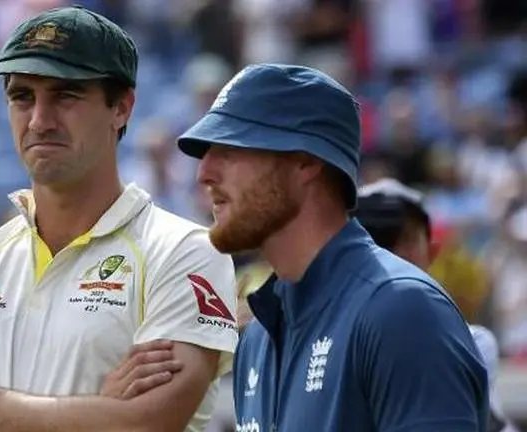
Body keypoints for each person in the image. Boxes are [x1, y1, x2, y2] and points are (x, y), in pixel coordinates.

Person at [0, 6, 238, 432]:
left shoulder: (185, 253)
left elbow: (147, 424)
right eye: (22, 97)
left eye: (66, 95)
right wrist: (92, 412)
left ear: (122, 108)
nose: (39, 120)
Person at [176, 63, 489, 431]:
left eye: (230, 148)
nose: (204, 173)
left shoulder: (402, 309)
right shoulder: (257, 338)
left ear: (305, 161)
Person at [354, 177, 521, 432]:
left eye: (406, 239)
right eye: (379, 240)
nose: (391, 254)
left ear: (431, 251)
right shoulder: (329, 337)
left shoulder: (468, 344)